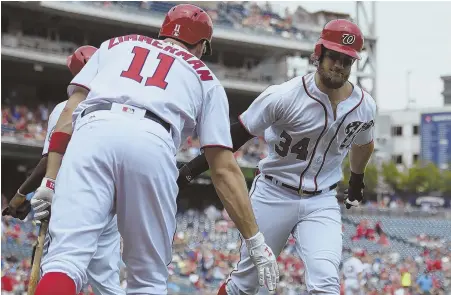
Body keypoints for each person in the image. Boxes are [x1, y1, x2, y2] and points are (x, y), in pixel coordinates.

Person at [31, 4, 278, 295]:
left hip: (93, 130)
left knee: (65, 261)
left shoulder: (113, 45)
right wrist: (254, 240)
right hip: (152, 139)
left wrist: (50, 180)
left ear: (163, 32)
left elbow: (69, 112)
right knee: (147, 279)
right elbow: (222, 168)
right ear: (202, 45)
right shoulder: (206, 77)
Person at [177, 19, 377, 295]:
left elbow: (364, 145)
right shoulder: (283, 96)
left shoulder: (364, 106)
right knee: (245, 284)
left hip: (321, 200)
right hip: (274, 192)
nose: (339, 65)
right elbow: (237, 135)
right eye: (333, 56)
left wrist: (357, 180)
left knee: (326, 283)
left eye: (347, 60)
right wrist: (190, 169)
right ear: (319, 53)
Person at [2, 46, 124, 295]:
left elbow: (49, 158)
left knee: (58, 267)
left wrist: (20, 195)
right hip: (108, 200)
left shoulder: (65, 108)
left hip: (72, 197)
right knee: (106, 283)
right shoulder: (116, 109)